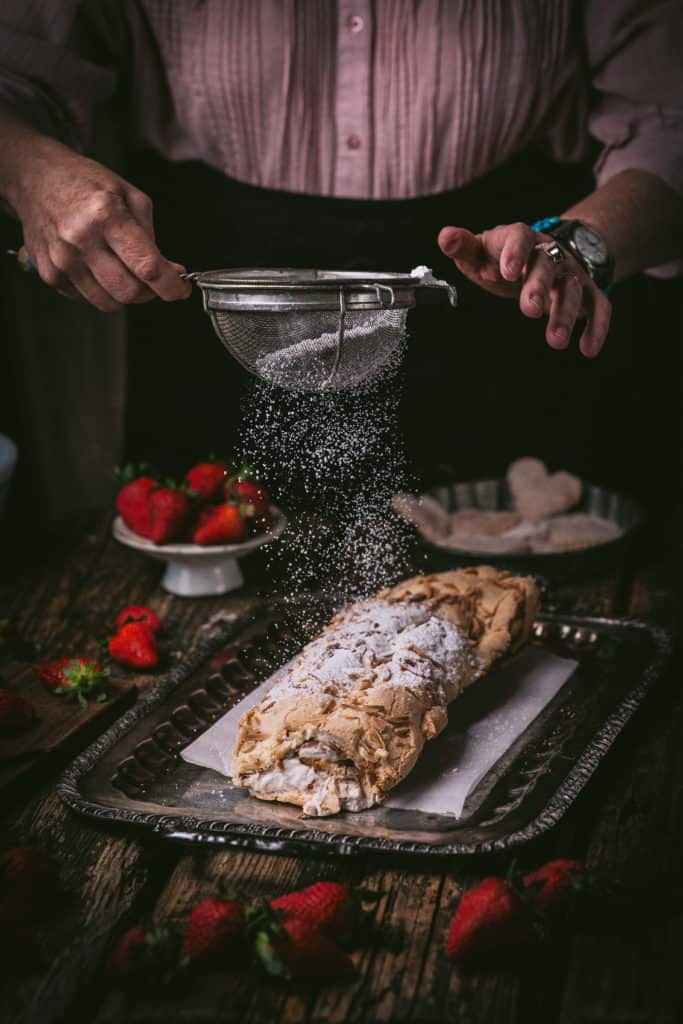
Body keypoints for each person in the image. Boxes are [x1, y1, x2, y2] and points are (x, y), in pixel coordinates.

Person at [0, 2, 682, 525]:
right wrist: (32, 170)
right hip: (218, 309)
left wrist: (581, 244)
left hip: (499, 297)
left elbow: (666, 115)